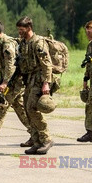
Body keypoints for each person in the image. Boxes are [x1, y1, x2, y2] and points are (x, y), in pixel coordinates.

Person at [16, 17, 54, 154]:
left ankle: (46, 139)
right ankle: (37, 142)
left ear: (29, 28)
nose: (19, 32)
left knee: (32, 109)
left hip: (39, 80)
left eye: (22, 29)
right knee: (27, 109)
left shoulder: (38, 43)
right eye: (18, 29)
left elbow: (47, 64)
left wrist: (46, 83)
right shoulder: (24, 43)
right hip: (29, 80)